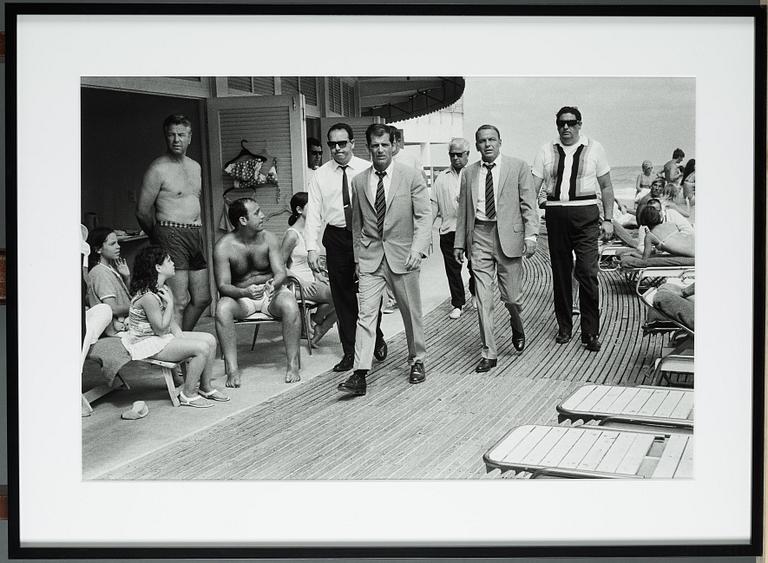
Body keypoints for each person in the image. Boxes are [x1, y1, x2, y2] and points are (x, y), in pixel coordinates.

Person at [337, 123, 432, 396]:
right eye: (375, 146)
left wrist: (418, 249)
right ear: (368, 149)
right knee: (365, 315)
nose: (380, 150)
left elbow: (424, 216)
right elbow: (356, 224)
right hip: (370, 258)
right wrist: (357, 257)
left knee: (410, 312)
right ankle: (360, 373)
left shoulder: (411, 176)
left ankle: (417, 360)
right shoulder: (359, 181)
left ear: (395, 147)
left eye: (385, 145)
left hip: (404, 256)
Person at [454, 125, 538, 372]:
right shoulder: (469, 173)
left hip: (508, 239)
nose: (487, 144)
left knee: (512, 298)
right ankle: (489, 352)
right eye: (482, 141)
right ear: (477, 145)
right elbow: (463, 212)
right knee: (483, 298)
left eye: (492, 139)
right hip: (479, 235)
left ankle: (516, 321)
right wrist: (459, 242)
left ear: (500, 142)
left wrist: (531, 235)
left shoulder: (518, 167)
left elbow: (529, 205)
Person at [305, 123, 387, 373]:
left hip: (365, 236)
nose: (338, 148)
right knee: (342, 298)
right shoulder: (320, 175)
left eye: (342, 143)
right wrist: (311, 248)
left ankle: (376, 336)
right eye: (333, 144)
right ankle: (350, 352)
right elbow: (314, 214)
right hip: (337, 238)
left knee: (370, 292)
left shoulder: (367, 168)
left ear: (352, 143)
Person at [532, 106, 615, 352]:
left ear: (579, 124)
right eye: (561, 123)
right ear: (557, 125)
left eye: (571, 123)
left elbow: (607, 187)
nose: (566, 127)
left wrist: (609, 219)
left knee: (587, 273)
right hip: (556, 216)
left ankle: (590, 332)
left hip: (586, 216)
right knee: (560, 273)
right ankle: (565, 326)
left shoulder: (595, 148)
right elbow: (532, 187)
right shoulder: (546, 150)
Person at [121, 245, 228, 408]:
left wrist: (181, 338)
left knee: (210, 340)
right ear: (158, 267)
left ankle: (205, 387)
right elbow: (161, 329)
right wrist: (170, 304)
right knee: (201, 349)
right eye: (169, 261)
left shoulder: (162, 288)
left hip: (159, 337)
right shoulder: (148, 296)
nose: (173, 263)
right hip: (147, 342)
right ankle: (188, 394)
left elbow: (171, 324)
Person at [214, 198, 302, 386]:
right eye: (257, 213)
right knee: (222, 309)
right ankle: (232, 369)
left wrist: (274, 284)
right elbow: (223, 285)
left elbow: (280, 272)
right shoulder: (224, 246)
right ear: (243, 220)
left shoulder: (269, 238)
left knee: (290, 304)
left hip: (270, 293)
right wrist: (244, 291)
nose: (263, 216)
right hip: (241, 296)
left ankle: (293, 364)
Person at [137, 114, 211, 332]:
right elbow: (142, 211)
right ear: (165, 137)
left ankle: (180, 341)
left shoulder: (195, 167)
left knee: (202, 298)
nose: (176, 140)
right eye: (171, 135)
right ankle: (177, 357)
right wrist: (158, 237)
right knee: (178, 301)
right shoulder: (158, 168)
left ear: (189, 137)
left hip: (195, 235)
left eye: (181, 135)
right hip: (170, 232)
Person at [280, 192, 337, 347]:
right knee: (339, 296)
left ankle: (317, 324)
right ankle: (316, 325)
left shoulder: (310, 232)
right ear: (299, 210)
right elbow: (279, 267)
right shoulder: (292, 235)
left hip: (312, 283)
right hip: (297, 286)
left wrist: (319, 275)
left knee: (345, 295)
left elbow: (311, 261)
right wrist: (301, 281)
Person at [432, 138, 476, 319]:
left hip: (472, 231)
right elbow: (433, 205)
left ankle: (475, 293)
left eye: (460, 154)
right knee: (453, 270)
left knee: (476, 266)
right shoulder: (441, 178)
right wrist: (426, 231)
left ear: (467, 154)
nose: (456, 158)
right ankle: (458, 303)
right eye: (452, 155)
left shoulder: (475, 174)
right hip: (449, 230)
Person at [85, 227, 132, 336]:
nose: (118, 247)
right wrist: (139, 307)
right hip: (116, 332)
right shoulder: (100, 272)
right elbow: (113, 309)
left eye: (117, 243)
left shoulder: (109, 268)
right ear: (98, 249)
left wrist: (127, 278)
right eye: (112, 244)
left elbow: (124, 299)